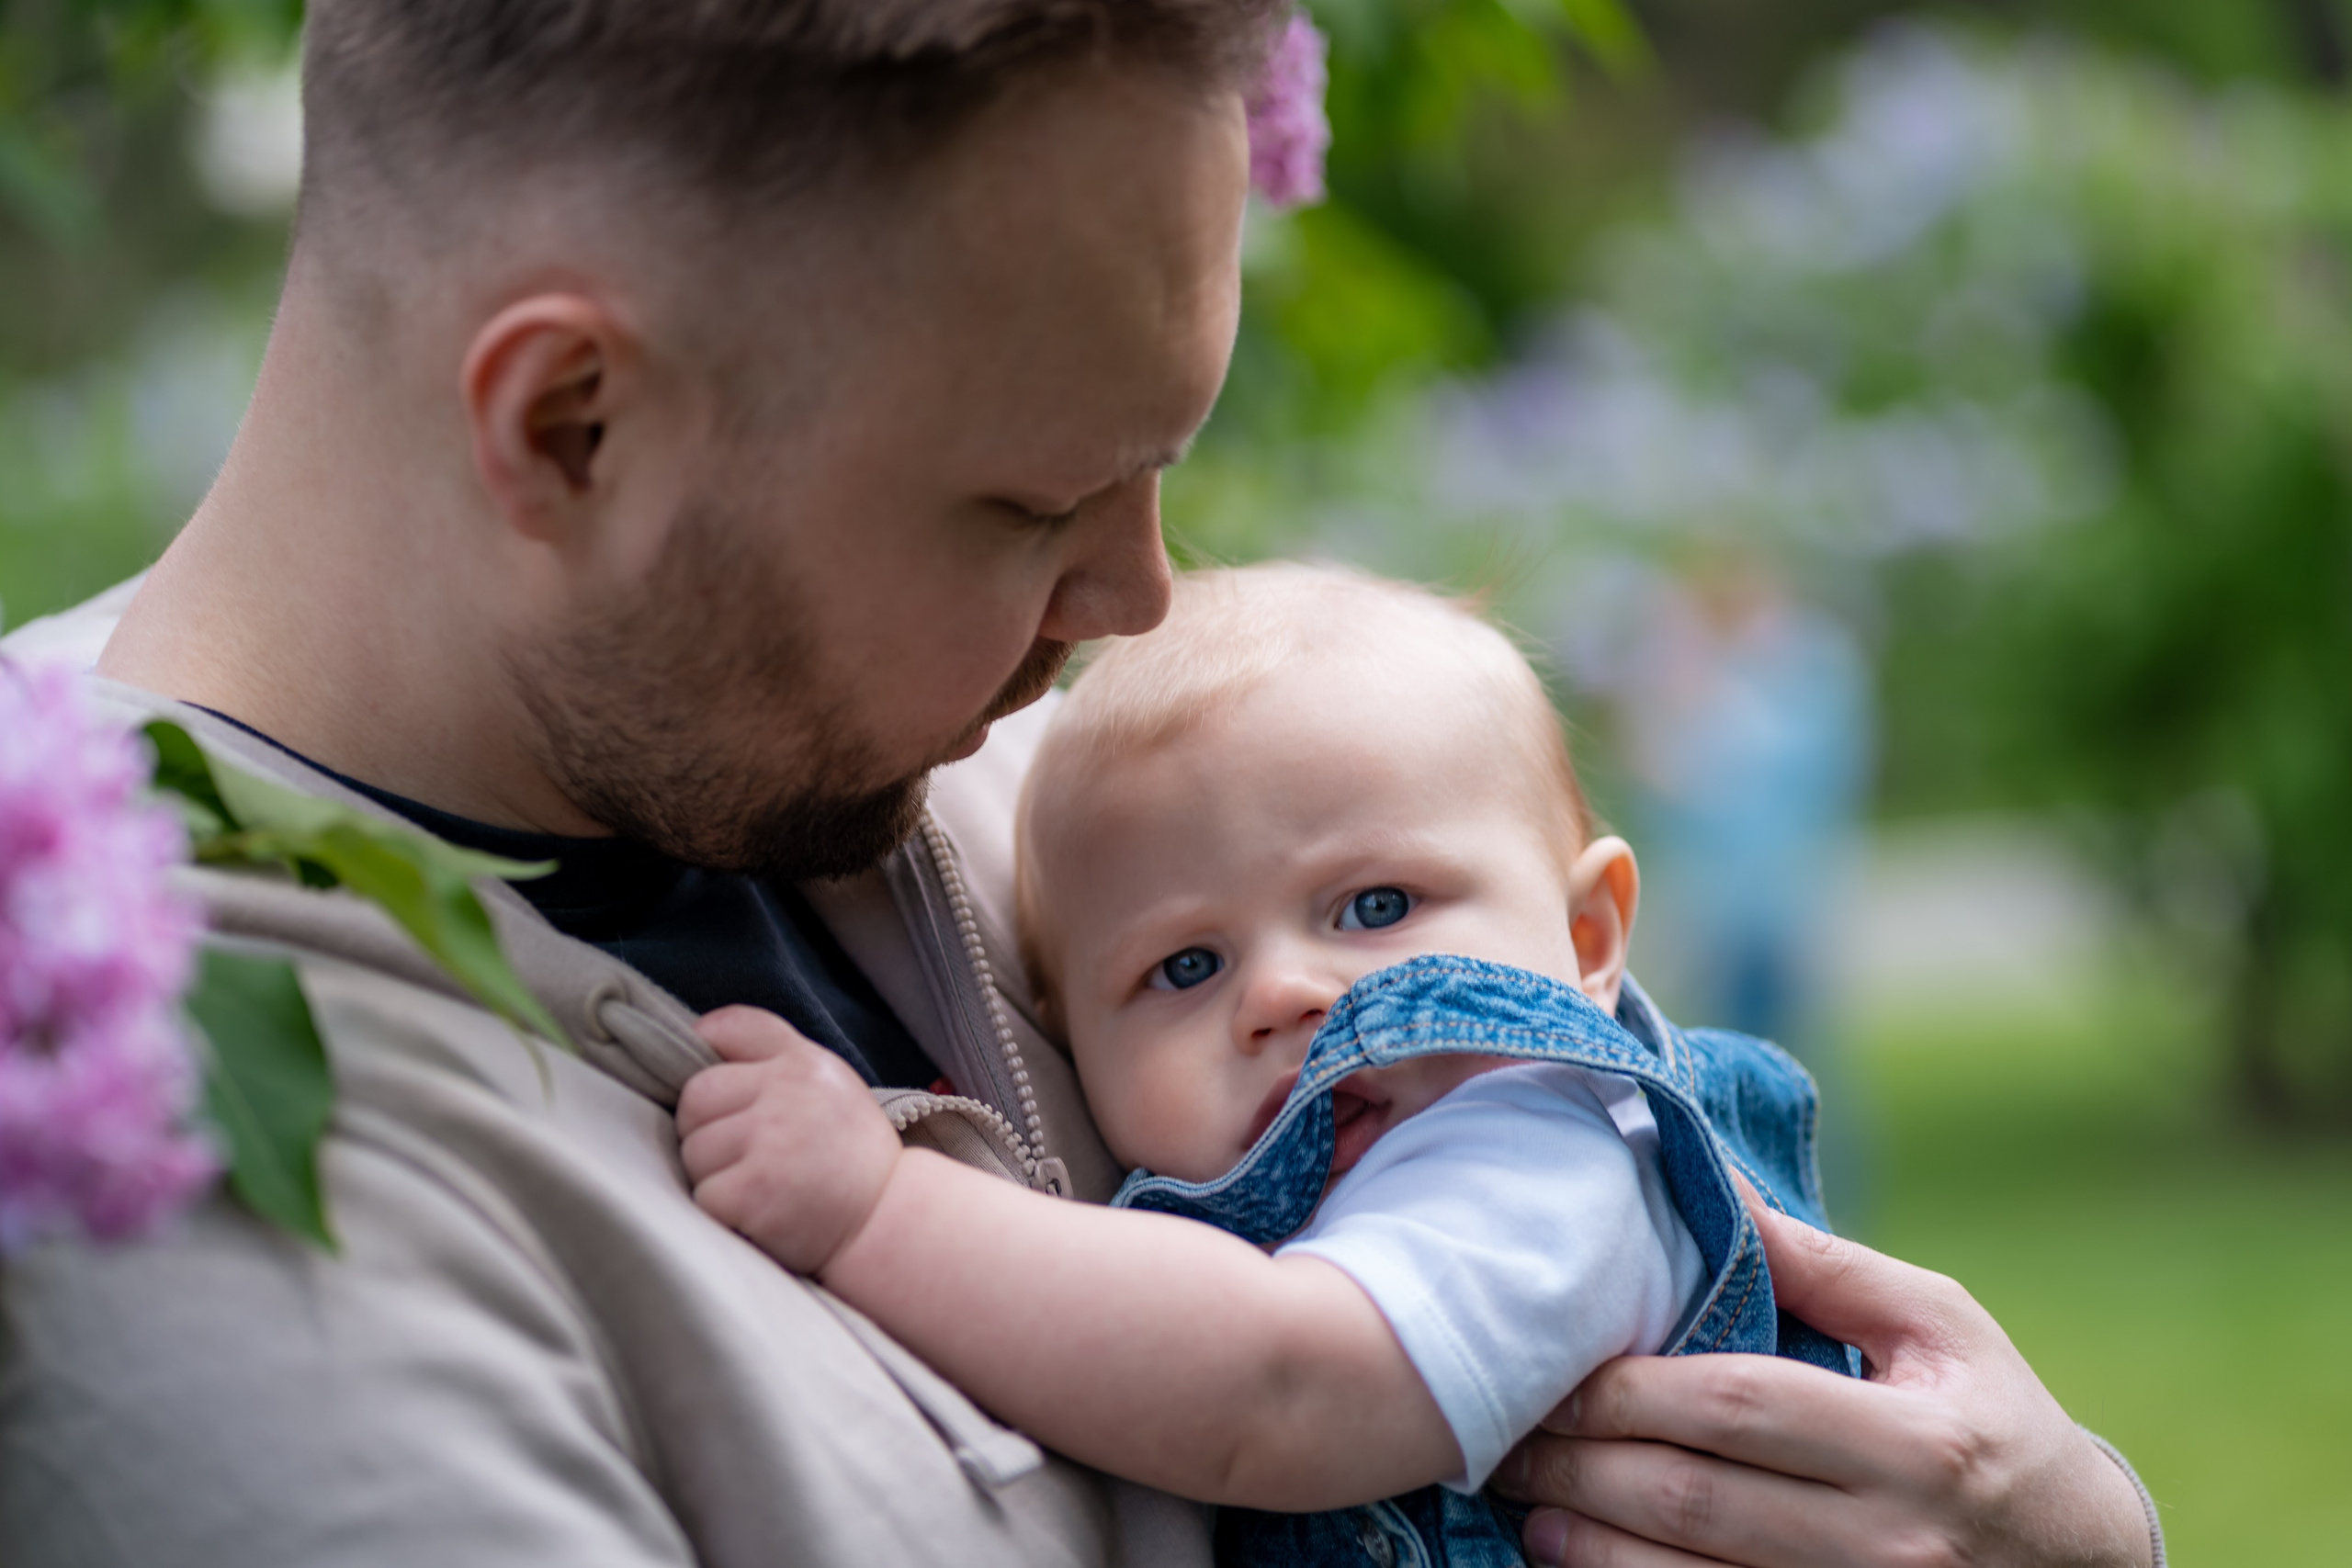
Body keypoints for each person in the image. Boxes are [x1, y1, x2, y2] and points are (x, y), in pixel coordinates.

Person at [0, 3, 2163, 1566]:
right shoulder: (159, 1169)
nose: (1130, 602)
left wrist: (2057, 1533)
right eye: (1036, 500)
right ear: (573, 423)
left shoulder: (1032, 798)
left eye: (1156, 475)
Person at [676, 563, 1853, 1567]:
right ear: (1069, 1036)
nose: (1283, 995)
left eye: (1375, 904)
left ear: (1587, 939)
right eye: (1186, 969)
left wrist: (874, 1206)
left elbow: (1278, 1388)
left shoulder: (1548, 1148)